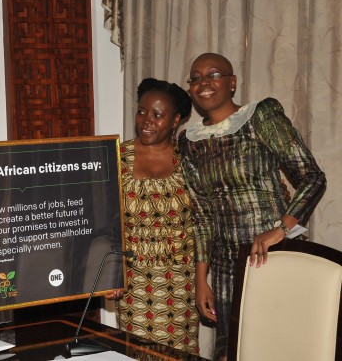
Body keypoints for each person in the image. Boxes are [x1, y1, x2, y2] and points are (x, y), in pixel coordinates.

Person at [179, 52, 326, 360]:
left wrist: (280, 229)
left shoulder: (261, 115)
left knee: (277, 347)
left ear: (232, 83)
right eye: (196, 77)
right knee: (230, 352)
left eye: (214, 75)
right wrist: (200, 279)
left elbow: (312, 177)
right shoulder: (190, 140)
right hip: (224, 267)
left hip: (272, 258)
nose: (204, 83)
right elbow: (202, 214)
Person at [109, 78, 199, 354]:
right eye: (142, 111)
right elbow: (103, 221)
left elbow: (205, 222)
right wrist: (110, 272)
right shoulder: (116, 156)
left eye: (157, 115)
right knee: (138, 352)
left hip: (182, 278)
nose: (146, 120)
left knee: (178, 352)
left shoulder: (191, 159)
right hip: (132, 279)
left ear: (176, 120)